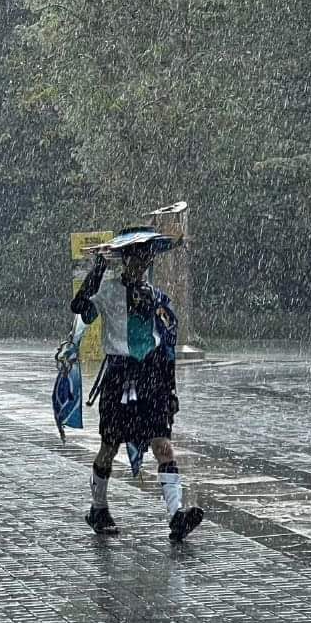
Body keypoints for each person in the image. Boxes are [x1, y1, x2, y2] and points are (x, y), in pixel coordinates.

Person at [71, 232, 203, 542]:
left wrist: (170, 390)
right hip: (120, 378)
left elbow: (167, 345)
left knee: (163, 445)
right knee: (109, 446)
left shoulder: (157, 297)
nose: (145, 262)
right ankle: (98, 508)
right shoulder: (107, 292)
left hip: (153, 378)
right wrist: (99, 266)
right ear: (127, 259)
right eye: (139, 256)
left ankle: (176, 516)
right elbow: (80, 306)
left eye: (148, 256)